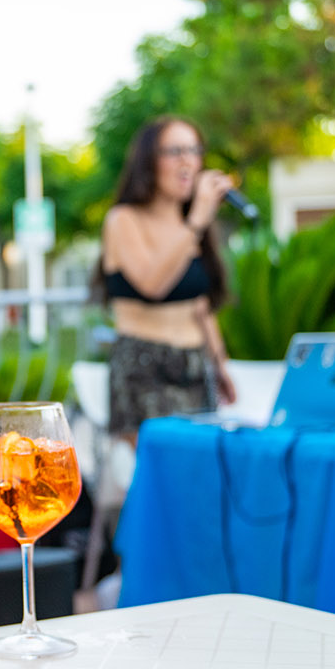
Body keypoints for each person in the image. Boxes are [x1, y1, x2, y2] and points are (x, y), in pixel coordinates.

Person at [97, 116, 238, 442]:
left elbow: (199, 305)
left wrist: (220, 363)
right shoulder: (124, 220)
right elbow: (152, 284)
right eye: (174, 151)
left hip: (195, 366)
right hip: (145, 368)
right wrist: (197, 220)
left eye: (194, 150)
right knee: (162, 467)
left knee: (200, 466)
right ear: (149, 161)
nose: (187, 160)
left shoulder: (190, 226)